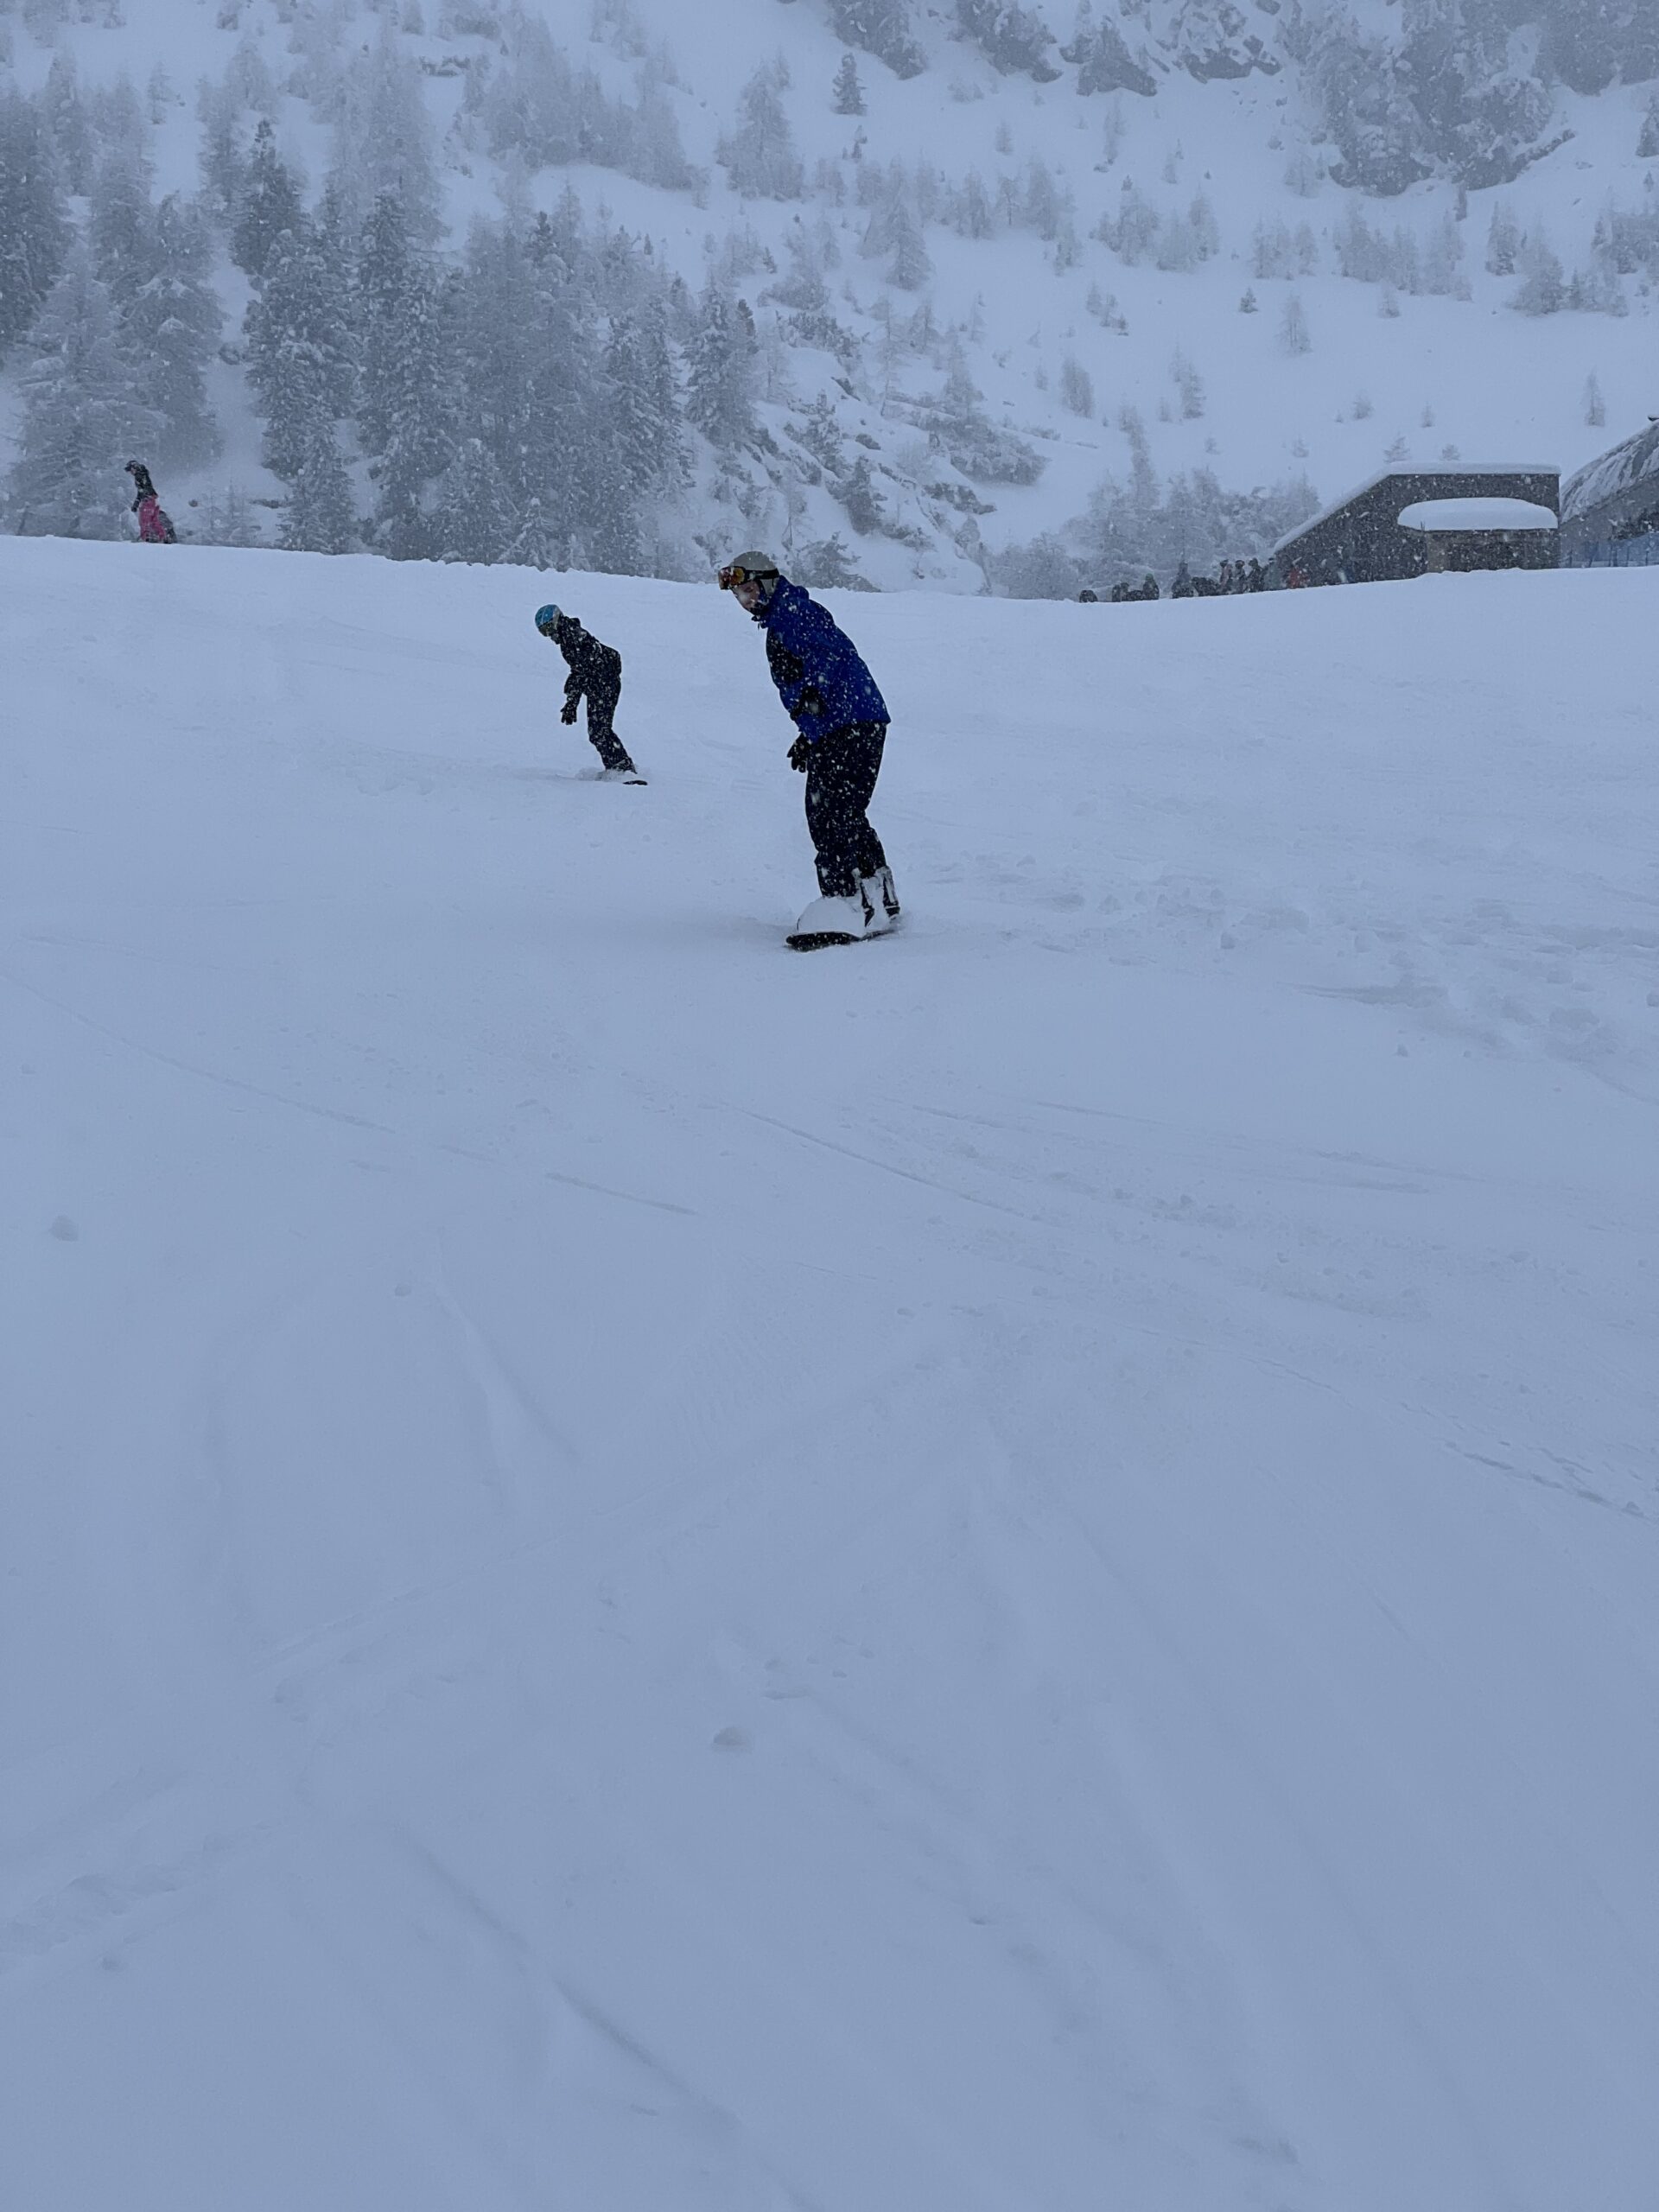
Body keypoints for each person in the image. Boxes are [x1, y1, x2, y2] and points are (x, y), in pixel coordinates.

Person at [717, 550, 898, 944]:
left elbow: (829, 653)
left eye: (749, 589)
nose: (746, 600)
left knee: (827, 813)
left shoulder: (793, 613)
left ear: (766, 582)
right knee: (844, 811)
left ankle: (843, 903)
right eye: (739, 595)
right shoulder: (786, 615)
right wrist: (810, 734)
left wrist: (815, 692)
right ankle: (877, 897)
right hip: (852, 723)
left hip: (850, 723)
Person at [534, 603, 643, 782]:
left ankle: (623, 769)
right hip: (597, 685)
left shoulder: (574, 636)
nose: (548, 636)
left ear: (556, 621)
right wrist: (571, 702)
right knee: (597, 732)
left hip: (605, 684)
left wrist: (573, 702)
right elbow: (578, 671)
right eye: (543, 633)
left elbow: (583, 670)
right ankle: (617, 769)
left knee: (599, 731)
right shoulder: (568, 636)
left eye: (548, 629)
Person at [124, 459, 175, 544]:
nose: (131, 472)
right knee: (154, 520)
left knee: (144, 520)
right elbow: (141, 491)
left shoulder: (140, 475)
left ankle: (146, 537)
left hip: (148, 500)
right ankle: (163, 536)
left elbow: (143, 490)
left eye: (131, 470)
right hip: (153, 499)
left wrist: (141, 500)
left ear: (134, 468)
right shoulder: (142, 474)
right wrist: (136, 503)